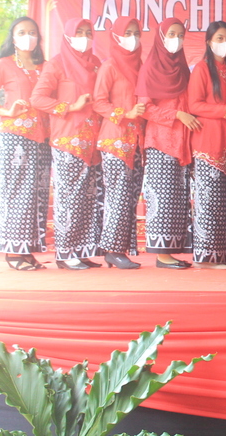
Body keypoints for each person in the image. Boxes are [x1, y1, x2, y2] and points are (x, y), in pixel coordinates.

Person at [0, 17, 50, 270]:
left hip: (43, 139)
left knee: (37, 195)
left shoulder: (45, 67)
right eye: (22, 32)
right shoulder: (4, 65)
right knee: (17, 193)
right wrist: (7, 112)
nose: (28, 36)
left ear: (38, 37)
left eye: (32, 32)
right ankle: (13, 252)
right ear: (13, 37)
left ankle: (27, 250)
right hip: (14, 138)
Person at [31, 18, 102, 270]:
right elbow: (38, 98)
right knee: (69, 199)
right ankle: (65, 253)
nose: (84, 37)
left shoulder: (95, 63)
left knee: (88, 199)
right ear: (68, 36)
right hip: (67, 141)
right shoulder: (56, 64)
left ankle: (81, 251)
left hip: (93, 142)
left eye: (88, 32)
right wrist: (70, 107)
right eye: (79, 32)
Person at [135, 17, 196, 269]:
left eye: (180, 35)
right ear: (161, 37)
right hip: (160, 141)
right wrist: (177, 115)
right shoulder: (150, 68)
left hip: (182, 140)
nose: (176, 40)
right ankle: (162, 254)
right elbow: (145, 108)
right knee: (163, 197)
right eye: (171, 34)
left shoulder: (182, 68)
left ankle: (171, 250)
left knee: (177, 198)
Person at [188, 21, 226, 269]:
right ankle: (206, 258)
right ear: (209, 42)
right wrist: (225, 110)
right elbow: (194, 105)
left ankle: (221, 256)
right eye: (220, 38)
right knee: (209, 202)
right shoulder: (202, 68)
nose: (225, 43)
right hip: (208, 142)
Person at [92, 18, 145, 269]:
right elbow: (99, 102)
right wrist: (126, 113)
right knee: (118, 196)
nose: (133, 37)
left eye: (136, 32)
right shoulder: (110, 66)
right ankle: (113, 250)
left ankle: (120, 249)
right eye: (127, 33)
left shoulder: (141, 65)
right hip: (115, 140)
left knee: (129, 197)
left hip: (136, 142)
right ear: (116, 36)